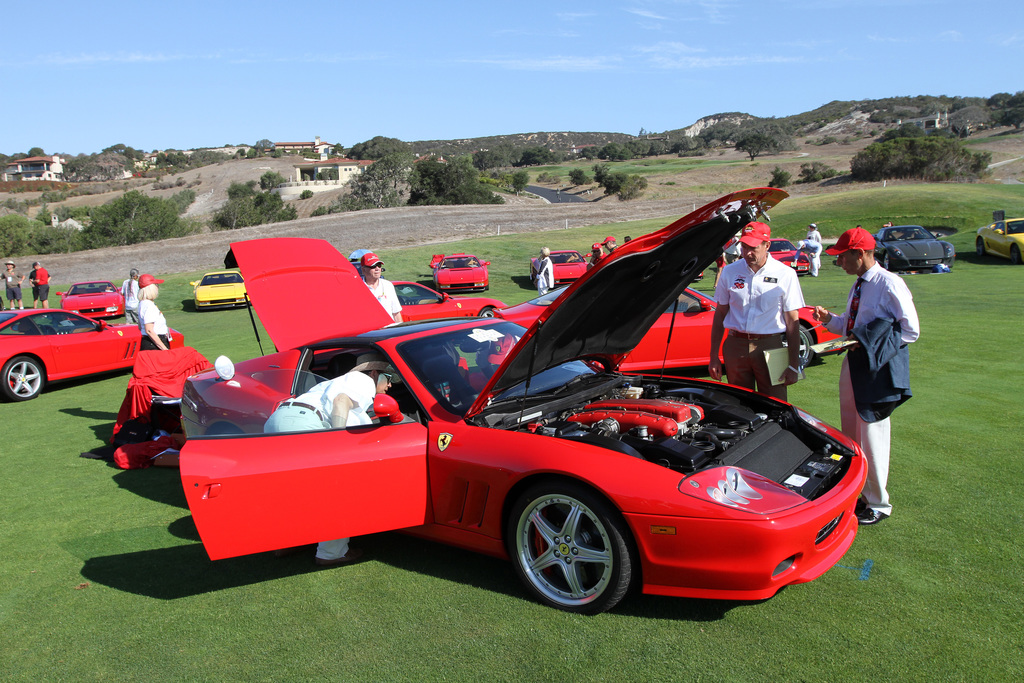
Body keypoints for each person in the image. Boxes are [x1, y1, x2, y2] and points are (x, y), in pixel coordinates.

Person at [813, 227, 920, 526]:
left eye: (843, 257)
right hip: (853, 363)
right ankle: (858, 492)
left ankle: (878, 503)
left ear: (859, 254)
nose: (840, 263)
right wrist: (829, 321)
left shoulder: (889, 284)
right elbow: (850, 327)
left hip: (876, 371)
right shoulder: (860, 284)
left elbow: (911, 330)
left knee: (872, 436)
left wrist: (872, 346)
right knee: (851, 434)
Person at [708, 221, 805, 401]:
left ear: (767, 245)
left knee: (774, 403)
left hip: (770, 345)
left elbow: (793, 321)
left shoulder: (785, 273)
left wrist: (793, 364)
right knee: (739, 403)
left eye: (753, 247)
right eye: (744, 247)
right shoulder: (729, 272)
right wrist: (714, 356)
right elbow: (720, 313)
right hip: (735, 344)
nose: (747, 253)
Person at [360, 252, 402, 322]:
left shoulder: (388, 285)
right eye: (373, 266)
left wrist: (401, 331)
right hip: (369, 331)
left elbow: (396, 312)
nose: (377, 269)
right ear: (364, 270)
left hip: (388, 330)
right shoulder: (358, 287)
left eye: (379, 265)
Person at [137, 274, 171, 351]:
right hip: (154, 344)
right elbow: (149, 330)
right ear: (150, 288)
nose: (157, 288)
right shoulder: (149, 305)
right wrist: (164, 349)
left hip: (149, 342)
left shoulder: (142, 303)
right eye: (156, 285)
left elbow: (140, 326)